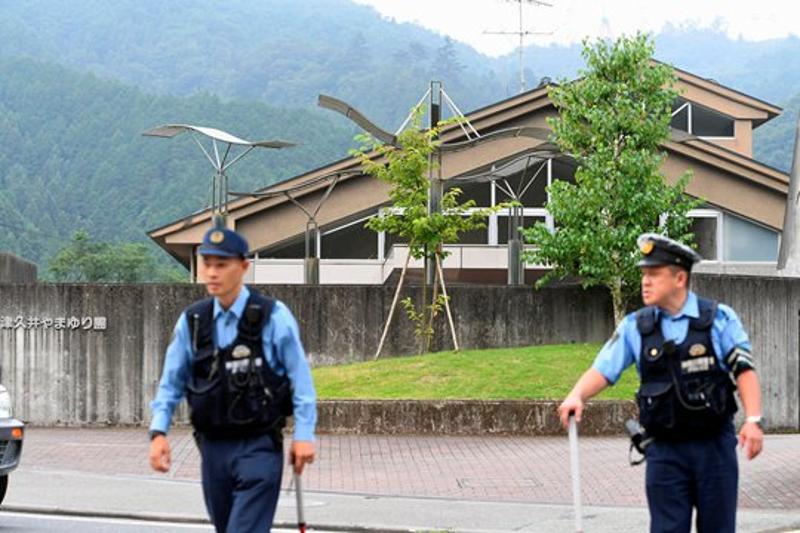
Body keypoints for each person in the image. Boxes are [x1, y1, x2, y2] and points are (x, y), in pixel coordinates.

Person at [558, 233, 764, 533]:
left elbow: (744, 371)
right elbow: (604, 369)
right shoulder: (636, 327)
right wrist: (577, 395)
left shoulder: (719, 319)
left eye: (654, 274)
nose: (645, 281)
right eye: (644, 274)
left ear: (679, 278)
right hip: (665, 451)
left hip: (714, 448)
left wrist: (754, 420)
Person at [148, 227, 317, 532]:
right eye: (206, 263)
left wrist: (304, 434)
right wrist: (158, 432)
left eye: (221, 264)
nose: (212, 273)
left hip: (259, 445)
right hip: (212, 448)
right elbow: (172, 381)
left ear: (243, 266)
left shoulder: (273, 317)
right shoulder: (193, 322)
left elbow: (301, 380)